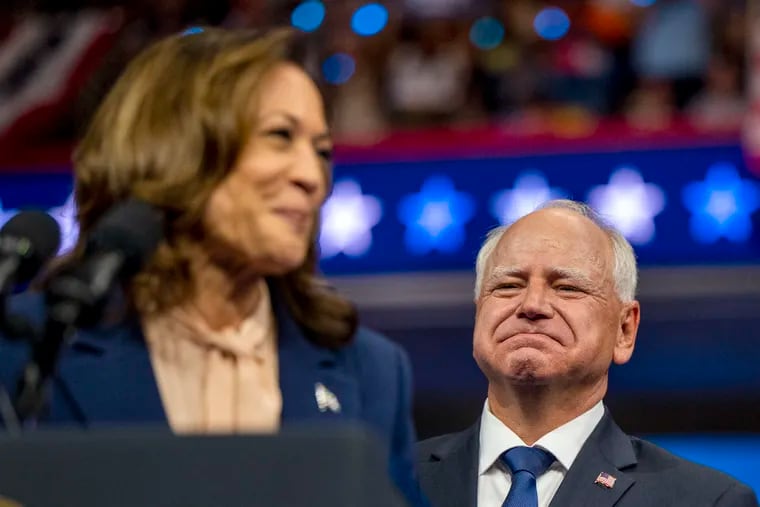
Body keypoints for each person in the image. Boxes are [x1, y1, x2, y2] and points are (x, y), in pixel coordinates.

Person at [0, 27, 426, 506]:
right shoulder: (28, 351)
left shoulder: (370, 371)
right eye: (280, 136)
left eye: (322, 152)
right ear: (175, 145)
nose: (313, 177)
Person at [416, 199, 758, 507]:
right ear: (479, 315)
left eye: (567, 287)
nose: (532, 305)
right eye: (508, 286)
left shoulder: (705, 502)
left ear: (625, 330)